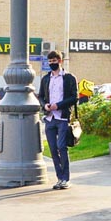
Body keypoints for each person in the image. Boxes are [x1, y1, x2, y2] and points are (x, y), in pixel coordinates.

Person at [37, 50, 79, 189]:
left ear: (60, 61)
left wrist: (59, 105)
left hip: (62, 118)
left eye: (54, 61)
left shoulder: (69, 78)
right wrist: (46, 105)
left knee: (62, 146)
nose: (51, 64)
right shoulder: (46, 79)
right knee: (53, 149)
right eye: (49, 62)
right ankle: (59, 178)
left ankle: (66, 179)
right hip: (49, 118)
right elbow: (41, 96)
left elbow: (74, 97)